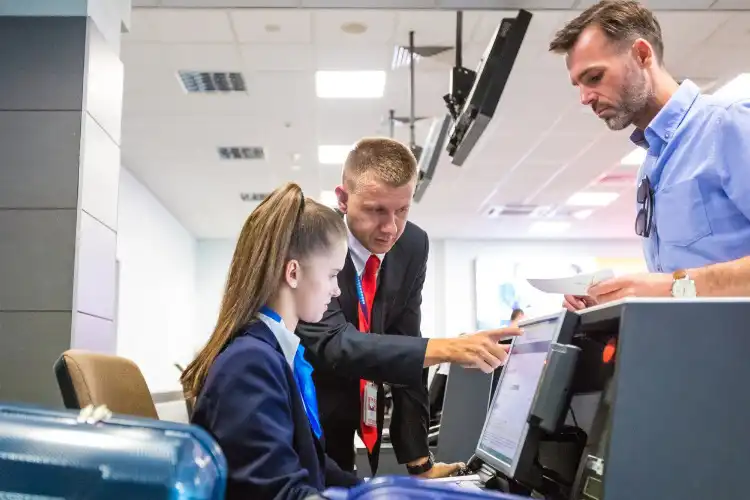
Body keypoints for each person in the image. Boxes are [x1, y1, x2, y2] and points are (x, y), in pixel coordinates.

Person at [296, 137, 521, 477]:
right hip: (311, 415)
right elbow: (334, 343)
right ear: (342, 199)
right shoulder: (315, 239)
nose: (390, 228)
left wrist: (420, 463)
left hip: (364, 409)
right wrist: (445, 348)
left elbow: (406, 337)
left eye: (402, 210)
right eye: (375, 210)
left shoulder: (412, 244)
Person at [547, 0, 750, 311]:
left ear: (642, 54)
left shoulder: (729, 125)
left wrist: (670, 287)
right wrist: (620, 294)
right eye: (579, 85)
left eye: (594, 77)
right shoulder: (652, 165)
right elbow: (682, 283)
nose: (584, 98)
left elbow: (676, 286)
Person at [181, 183, 361, 499]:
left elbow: (314, 467)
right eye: (333, 274)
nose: (337, 291)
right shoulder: (250, 363)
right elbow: (278, 493)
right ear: (293, 273)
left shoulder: (272, 354)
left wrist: (375, 490)